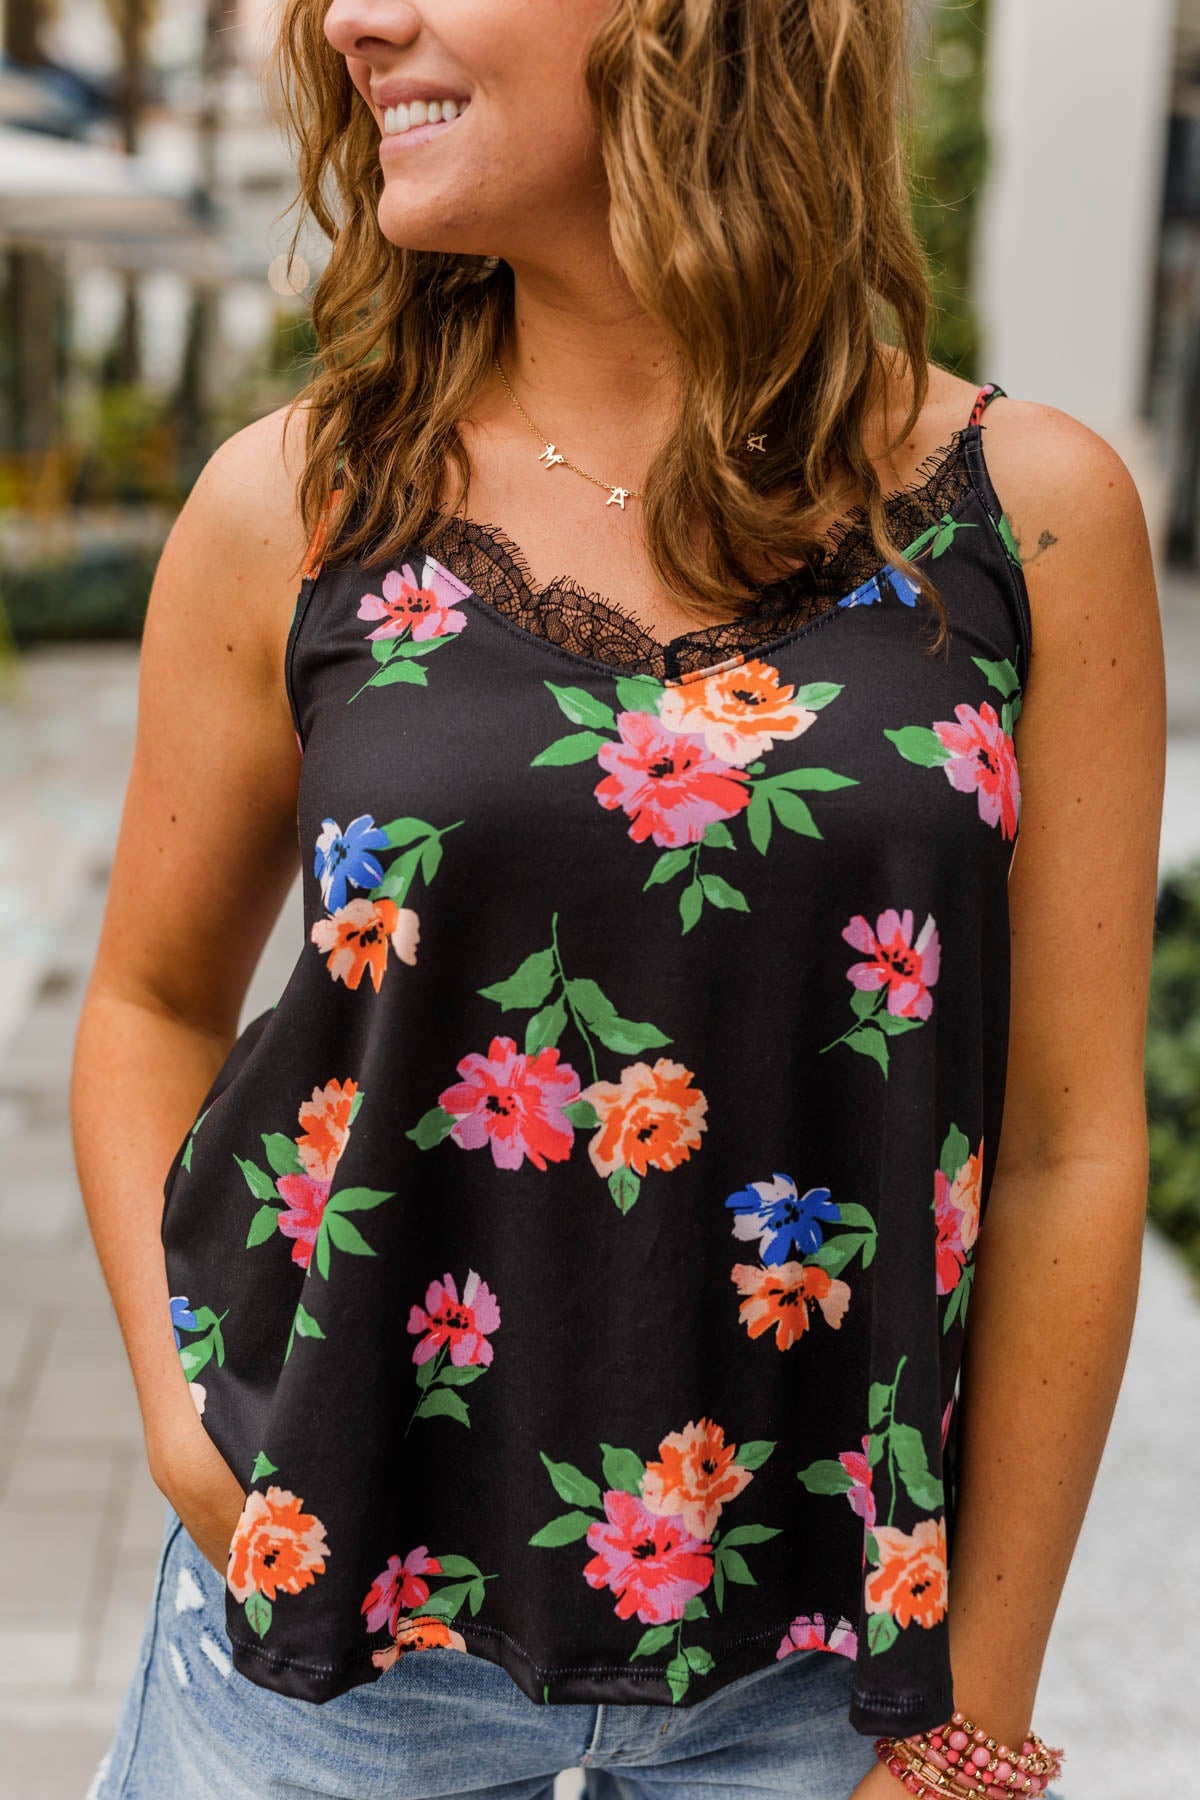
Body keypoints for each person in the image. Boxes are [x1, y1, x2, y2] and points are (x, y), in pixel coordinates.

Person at [76, 2, 1164, 1797]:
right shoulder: (299, 505)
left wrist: (980, 1703)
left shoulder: (1029, 520)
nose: (354, 17)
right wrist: (188, 1413)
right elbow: (147, 1006)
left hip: (831, 1675)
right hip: (330, 1641)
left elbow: (1064, 1142)